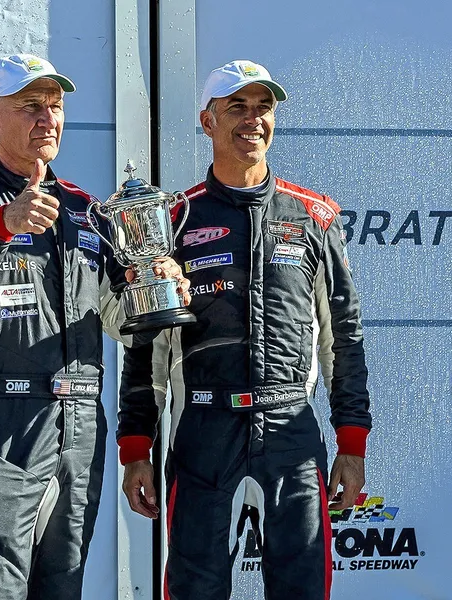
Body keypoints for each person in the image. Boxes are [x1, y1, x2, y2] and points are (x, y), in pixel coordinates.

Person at [0, 54, 187, 600]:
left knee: (63, 588)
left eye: (55, 106)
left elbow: (123, 323)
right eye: (30, 106)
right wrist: (1, 223)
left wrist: (159, 286)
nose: (48, 118)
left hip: (81, 427)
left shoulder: (85, 209)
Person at [117, 59, 372, 599]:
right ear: (207, 121)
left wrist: (352, 441)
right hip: (204, 425)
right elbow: (146, 346)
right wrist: (136, 445)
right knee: (194, 588)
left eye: (264, 107)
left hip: (290, 428)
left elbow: (342, 337)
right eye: (237, 107)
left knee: (303, 586)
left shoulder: (314, 215)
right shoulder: (174, 219)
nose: (252, 119)